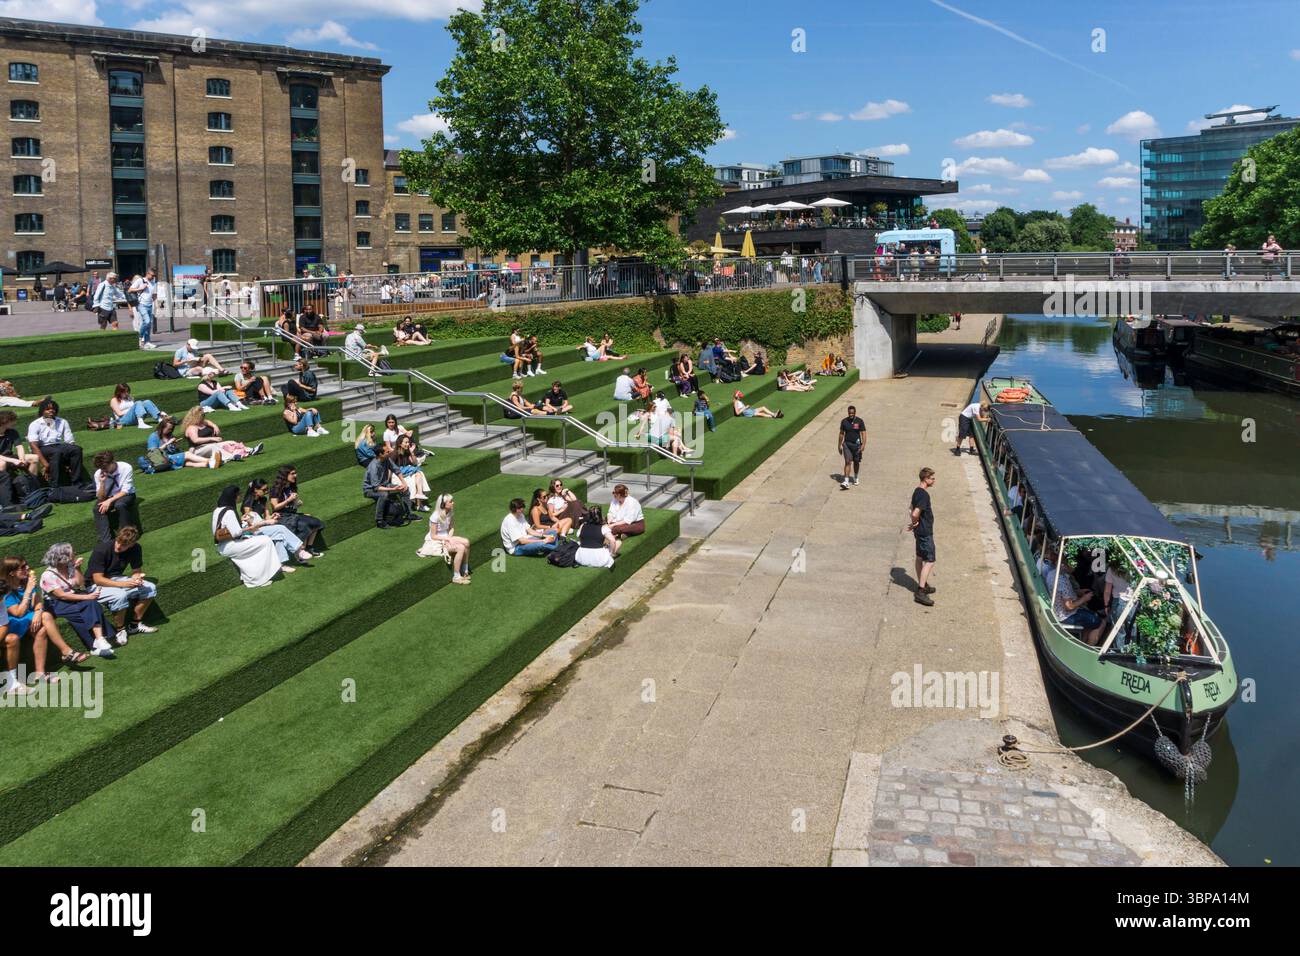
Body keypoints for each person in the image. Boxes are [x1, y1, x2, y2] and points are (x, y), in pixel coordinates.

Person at [4, 555, 89, 692]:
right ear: (12, 572)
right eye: (23, 567)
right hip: (12, 624)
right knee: (47, 615)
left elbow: (38, 602)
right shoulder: (5, 590)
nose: (27, 568)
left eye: (27, 565)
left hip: (29, 618)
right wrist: (28, 592)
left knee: (42, 628)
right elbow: (18, 613)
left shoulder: (26, 581)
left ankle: (40, 673)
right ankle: (66, 651)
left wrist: (37, 612)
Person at [40, 542, 121, 657]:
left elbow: (80, 583)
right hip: (57, 603)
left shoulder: (69, 567)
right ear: (64, 556)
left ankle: (98, 640)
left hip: (72, 597)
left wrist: (77, 568)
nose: (75, 554)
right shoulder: (47, 575)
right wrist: (87, 596)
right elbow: (62, 595)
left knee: (92, 605)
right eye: (72, 553)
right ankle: (98, 642)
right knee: (88, 607)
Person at [86, 526, 159, 638]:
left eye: (124, 545)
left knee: (150, 587)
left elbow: (136, 571)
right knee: (120, 595)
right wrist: (123, 584)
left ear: (132, 544)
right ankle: (120, 630)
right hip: (94, 585)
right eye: (118, 542)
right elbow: (98, 579)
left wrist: (137, 579)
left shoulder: (136, 549)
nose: (119, 546)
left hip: (117, 578)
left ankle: (134, 625)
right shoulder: (101, 550)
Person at [212, 485, 282, 587]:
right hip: (230, 546)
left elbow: (225, 526)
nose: (240, 497)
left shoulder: (217, 510)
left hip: (222, 546)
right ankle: (258, 579)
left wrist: (240, 520)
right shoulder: (230, 511)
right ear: (233, 497)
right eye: (238, 495)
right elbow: (236, 533)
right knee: (266, 541)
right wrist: (253, 526)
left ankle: (252, 576)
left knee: (258, 540)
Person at [1040, 542, 1105, 645]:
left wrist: (1078, 592)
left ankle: (1083, 641)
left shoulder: (1053, 574)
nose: (1075, 568)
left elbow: (1061, 594)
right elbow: (1069, 606)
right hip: (1066, 616)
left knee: (1089, 617)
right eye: (1074, 565)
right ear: (1065, 565)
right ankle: (1087, 646)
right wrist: (1084, 598)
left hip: (1059, 610)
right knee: (1099, 621)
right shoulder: (1063, 581)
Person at [240, 480, 313, 569]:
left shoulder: (263, 500)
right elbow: (251, 525)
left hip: (261, 527)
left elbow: (267, 517)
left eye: (267, 489)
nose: (267, 491)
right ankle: (299, 550)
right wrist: (267, 522)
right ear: (256, 490)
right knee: (280, 529)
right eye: (264, 489)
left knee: (279, 537)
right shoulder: (247, 504)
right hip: (252, 531)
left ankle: (281, 565)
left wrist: (273, 516)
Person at [27, 398, 85, 487]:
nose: (51, 411)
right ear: (42, 411)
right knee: (56, 452)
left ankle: (77, 483)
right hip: (42, 447)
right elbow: (33, 446)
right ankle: (54, 486)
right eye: (47, 409)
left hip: (57, 445)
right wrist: (45, 464)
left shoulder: (62, 422)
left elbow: (69, 441)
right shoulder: (35, 424)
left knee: (76, 449)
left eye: (53, 409)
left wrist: (69, 459)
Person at [268, 465, 325, 552]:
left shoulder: (291, 487)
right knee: (305, 526)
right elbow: (275, 507)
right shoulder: (275, 489)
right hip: (282, 517)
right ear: (285, 475)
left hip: (293, 514)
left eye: (295, 473)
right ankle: (301, 552)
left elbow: (293, 504)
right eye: (292, 473)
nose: (295, 475)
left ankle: (309, 547)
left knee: (316, 522)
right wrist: (289, 500)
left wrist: (297, 503)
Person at [418, 493, 471, 583]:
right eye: (450, 502)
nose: (453, 503)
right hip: (435, 540)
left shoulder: (450, 512)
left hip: (446, 537)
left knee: (466, 542)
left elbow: (451, 528)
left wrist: (449, 538)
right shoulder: (435, 516)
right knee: (461, 547)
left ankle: (465, 569)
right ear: (443, 504)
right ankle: (456, 577)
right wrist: (446, 540)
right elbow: (433, 536)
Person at [181, 406, 260, 463]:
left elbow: (209, 422)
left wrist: (214, 426)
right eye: (202, 415)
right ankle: (231, 457)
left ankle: (250, 450)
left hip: (209, 445)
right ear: (196, 417)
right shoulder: (191, 428)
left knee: (231, 442)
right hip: (197, 450)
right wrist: (212, 439)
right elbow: (196, 440)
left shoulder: (202, 422)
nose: (204, 417)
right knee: (213, 446)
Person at [906, 467, 937, 606]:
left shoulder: (916, 491)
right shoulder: (924, 495)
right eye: (932, 478)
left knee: (919, 557)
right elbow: (914, 513)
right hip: (925, 531)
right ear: (926, 479)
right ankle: (920, 591)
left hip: (919, 530)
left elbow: (910, 509)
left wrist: (914, 525)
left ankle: (923, 584)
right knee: (930, 560)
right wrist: (915, 521)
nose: (934, 480)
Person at [91, 450, 136, 543]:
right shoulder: (98, 473)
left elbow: (125, 490)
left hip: (127, 495)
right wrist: (102, 483)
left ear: (112, 462)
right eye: (101, 468)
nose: (104, 471)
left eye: (105, 468)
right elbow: (100, 497)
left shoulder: (126, 467)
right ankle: (106, 542)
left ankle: (126, 537)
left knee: (120, 505)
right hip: (108, 496)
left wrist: (109, 501)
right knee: (97, 509)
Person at [363, 441, 410, 529]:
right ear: (380, 454)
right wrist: (393, 489)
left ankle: (408, 513)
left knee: (405, 489)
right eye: (387, 452)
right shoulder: (374, 467)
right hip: (370, 490)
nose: (390, 452)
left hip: (385, 485)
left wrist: (404, 483)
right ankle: (379, 520)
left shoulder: (387, 459)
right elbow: (376, 487)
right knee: (384, 495)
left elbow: (396, 470)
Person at [0, 410, 40, 505]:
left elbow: (19, 447)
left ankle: (33, 490)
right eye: (13, 420)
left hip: (9, 456)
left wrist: (21, 459)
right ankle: (5, 498)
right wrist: (14, 460)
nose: (15, 422)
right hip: (4, 459)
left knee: (34, 458)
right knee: (2, 464)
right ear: (5, 421)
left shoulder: (12, 432)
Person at [148, 417, 215, 470]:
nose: (170, 431)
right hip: (163, 460)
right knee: (187, 454)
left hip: (171, 457)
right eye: (168, 429)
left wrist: (175, 445)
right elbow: (153, 452)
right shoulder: (153, 436)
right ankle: (210, 460)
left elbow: (173, 450)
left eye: (171, 429)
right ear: (162, 427)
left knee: (188, 463)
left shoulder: (170, 435)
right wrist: (168, 443)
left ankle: (208, 464)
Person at [392, 434, 431, 510]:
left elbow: (415, 463)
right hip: (398, 476)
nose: (408, 444)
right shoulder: (394, 454)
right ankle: (419, 505)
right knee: (416, 477)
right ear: (400, 443)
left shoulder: (407, 452)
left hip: (406, 474)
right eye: (406, 442)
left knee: (419, 474)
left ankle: (419, 495)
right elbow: (391, 469)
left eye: (408, 442)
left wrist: (412, 452)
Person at [129, 268, 158, 349]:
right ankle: (140, 338)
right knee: (147, 321)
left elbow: (154, 295)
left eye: (154, 276)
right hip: (141, 304)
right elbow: (130, 290)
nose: (153, 277)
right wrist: (140, 288)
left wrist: (156, 305)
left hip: (149, 305)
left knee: (148, 325)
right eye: (152, 275)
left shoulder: (153, 282)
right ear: (148, 273)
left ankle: (147, 342)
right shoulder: (140, 281)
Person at [838, 405, 866, 490]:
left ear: (855, 413)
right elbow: (841, 433)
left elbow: (863, 433)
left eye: (852, 413)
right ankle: (846, 482)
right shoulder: (844, 421)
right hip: (847, 444)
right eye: (850, 413)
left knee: (856, 462)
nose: (851, 414)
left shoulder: (859, 421)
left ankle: (855, 477)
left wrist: (863, 444)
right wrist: (839, 445)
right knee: (848, 461)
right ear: (848, 412)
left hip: (857, 445)